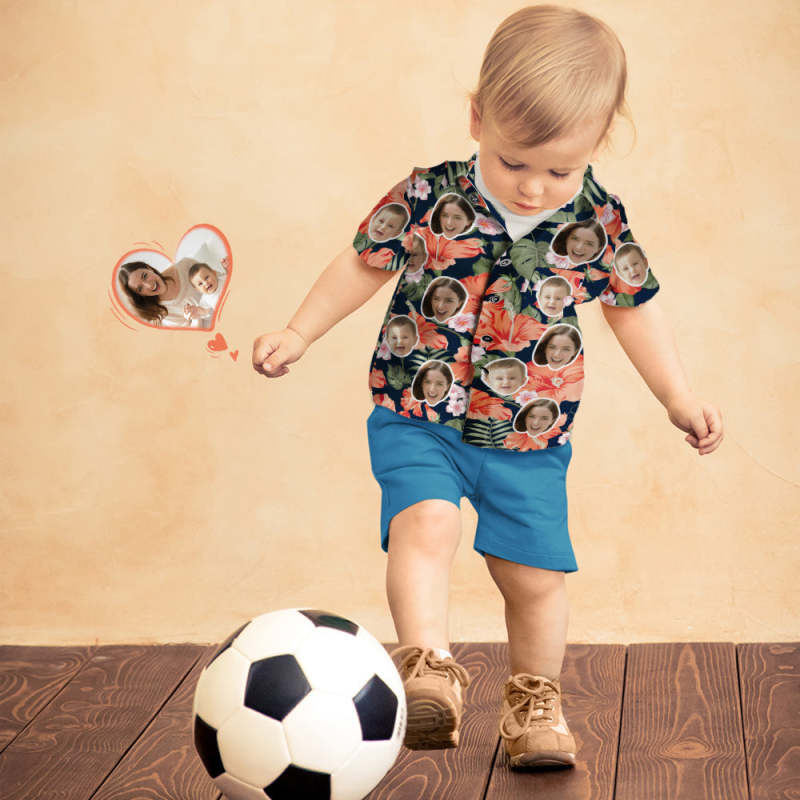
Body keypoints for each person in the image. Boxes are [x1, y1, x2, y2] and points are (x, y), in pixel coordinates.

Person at [252, 4, 723, 771]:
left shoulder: (599, 221)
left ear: (598, 145)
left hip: (528, 433)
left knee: (533, 578)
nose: (534, 188)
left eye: (559, 172)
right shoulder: (427, 196)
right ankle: (428, 669)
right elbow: (361, 264)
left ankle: (535, 703)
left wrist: (678, 395)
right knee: (426, 525)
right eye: (513, 163)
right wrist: (299, 332)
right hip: (418, 412)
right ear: (477, 119)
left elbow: (633, 309)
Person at [117, 257, 206, 327]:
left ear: (149, 268)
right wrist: (196, 317)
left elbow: (213, 278)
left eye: (145, 276)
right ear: (140, 295)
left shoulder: (185, 265)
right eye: (140, 288)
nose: (149, 285)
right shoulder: (161, 311)